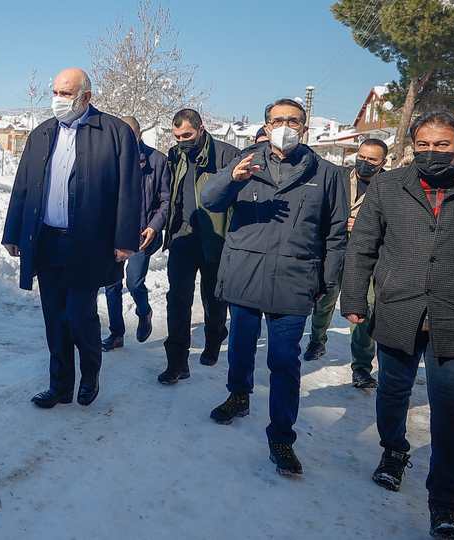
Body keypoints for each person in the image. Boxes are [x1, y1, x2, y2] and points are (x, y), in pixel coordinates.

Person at [342, 110, 454, 540]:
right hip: (399, 308)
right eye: (423, 145)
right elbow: (363, 246)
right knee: (392, 392)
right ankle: (394, 452)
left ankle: (446, 501)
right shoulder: (387, 184)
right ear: (412, 145)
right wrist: (353, 297)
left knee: (453, 411)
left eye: (442, 145)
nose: (431, 153)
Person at [200, 98, 348, 475]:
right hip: (245, 271)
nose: (285, 125)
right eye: (278, 119)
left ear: (305, 126)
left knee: (284, 361)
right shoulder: (245, 162)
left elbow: (335, 236)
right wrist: (230, 179)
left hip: (294, 279)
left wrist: (326, 280)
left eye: (293, 120)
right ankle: (238, 395)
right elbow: (210, 201)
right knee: (241, 347)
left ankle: (282, 435)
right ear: (266, 126)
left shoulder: (328, 174)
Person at [2, 68, 141, 408]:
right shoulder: (42, 134)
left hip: (88, 243)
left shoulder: (115, 132)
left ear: (86, 97)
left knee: (79, 314)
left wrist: (125, 239)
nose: (57, 100)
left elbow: (130, 190)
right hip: (47, 240)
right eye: (55, 92)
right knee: (54, 316)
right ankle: (60, 384)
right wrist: (14, 232)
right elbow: (23, 186)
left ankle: (90, 371)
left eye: (66, 94)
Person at [158, 109, 239, 384]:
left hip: (215, 239)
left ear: (201, 129)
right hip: (183, 235)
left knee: (213, 298)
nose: (182, 141)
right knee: (177, 298)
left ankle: (215, 338)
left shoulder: (227, 155)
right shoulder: (175, 155)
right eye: (178, 136)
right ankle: (177, 361)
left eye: (187, 135)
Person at [303, 139, 388, 389]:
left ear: (383, 162)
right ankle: (317, 340)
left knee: (364, 309)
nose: (364, 163)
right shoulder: (339, 177)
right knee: (324, 298)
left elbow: (396, 223)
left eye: (372, 160)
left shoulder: (388, 186)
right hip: (333, 251)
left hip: (367, 257)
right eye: (361, 156)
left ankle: (361, 367)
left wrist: (364, 226)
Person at [101, 116, 169, 352]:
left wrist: (154, 226)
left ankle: (144, 311)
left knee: (134, 281)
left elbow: (166, 201)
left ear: (139, 135)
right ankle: (116, 333)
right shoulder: (108, 159)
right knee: (112, 284)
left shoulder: (158, 161)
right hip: (112, 233)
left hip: (141, 234)